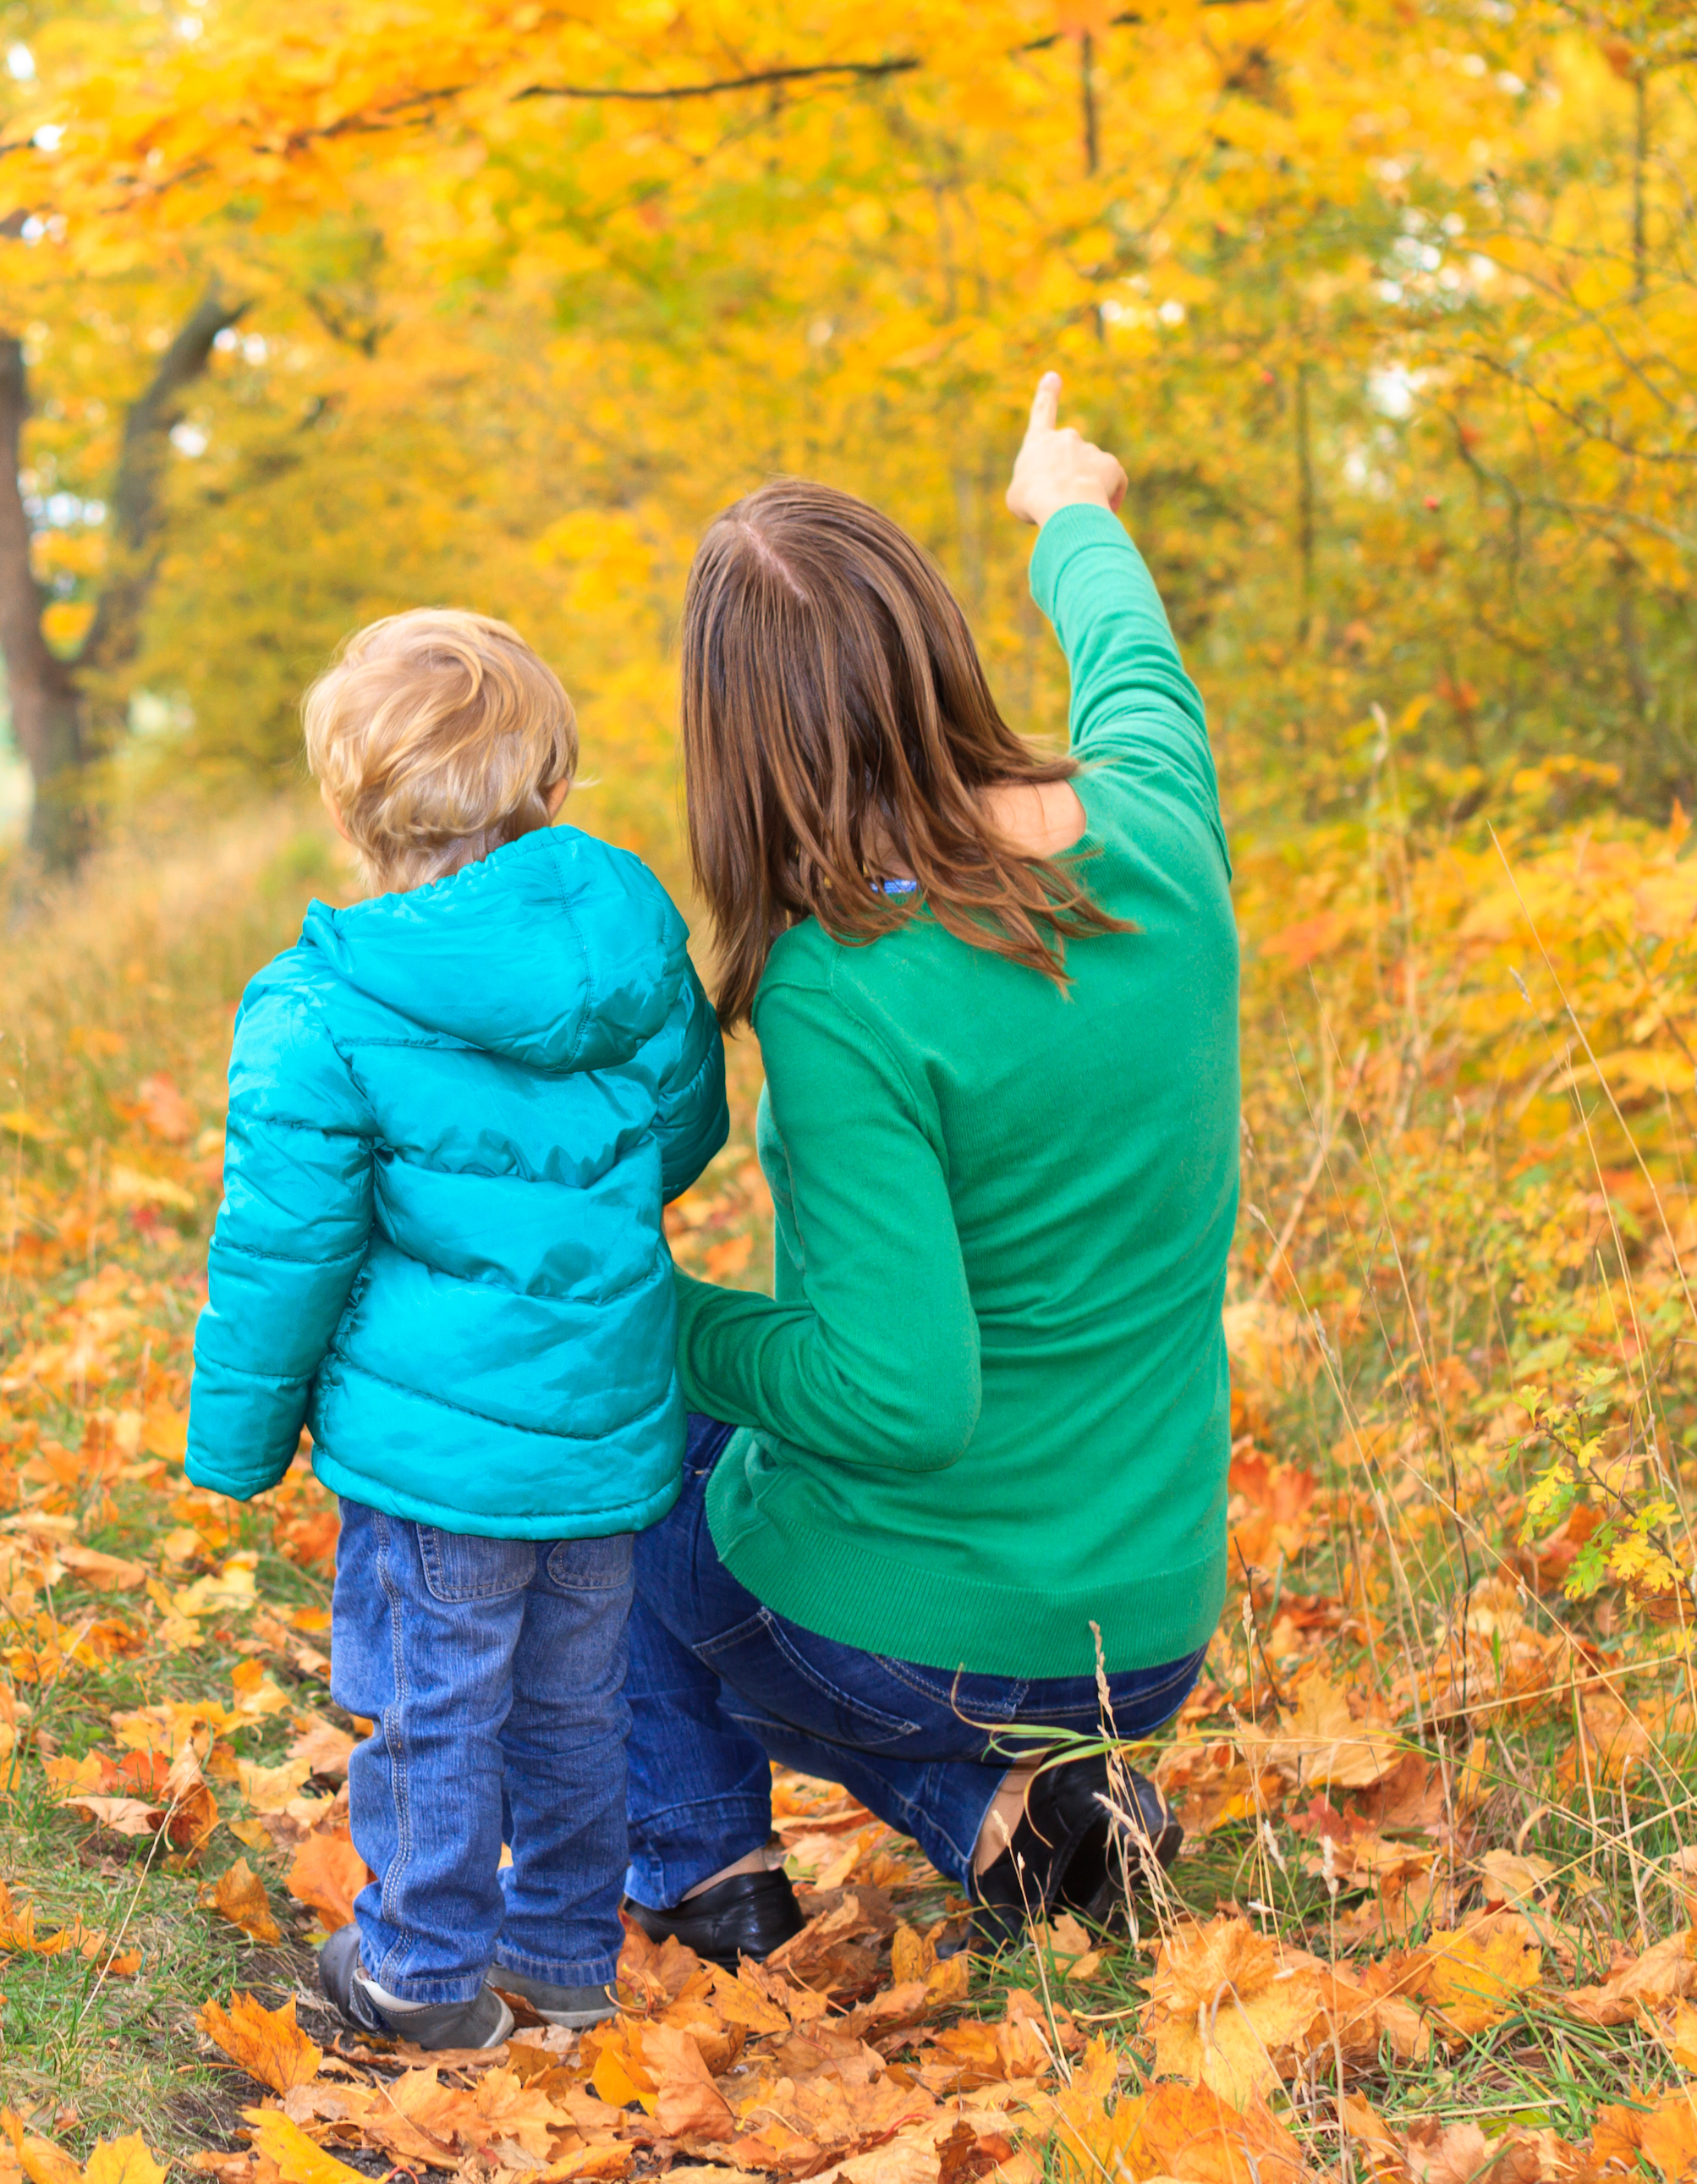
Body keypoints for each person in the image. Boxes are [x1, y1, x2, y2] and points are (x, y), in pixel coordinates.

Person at [622, 375, 1238, 1966]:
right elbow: (1128, 661)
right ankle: (1012, 1822)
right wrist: (1070, 504)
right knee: (721, 1407)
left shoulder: (844, 978)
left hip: (950, 1638)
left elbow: (902, 1397)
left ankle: (707, 1885)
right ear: (930, 640)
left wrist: (647, 1314)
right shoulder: (1158, 822)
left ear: (735, 741)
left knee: (617, 1440)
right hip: (1151, 1621)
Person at [185, 609, 722, 2049]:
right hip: (605, 1419)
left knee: (432, 1697)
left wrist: (236, 1440)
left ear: (353, 798)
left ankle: (419, 1973)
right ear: (542, 774)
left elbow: (283, 1249)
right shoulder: (631, 931)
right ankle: (561, 1959)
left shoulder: (323, 1001)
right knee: (571, 1702)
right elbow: (681, 1132)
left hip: (431, 1448)